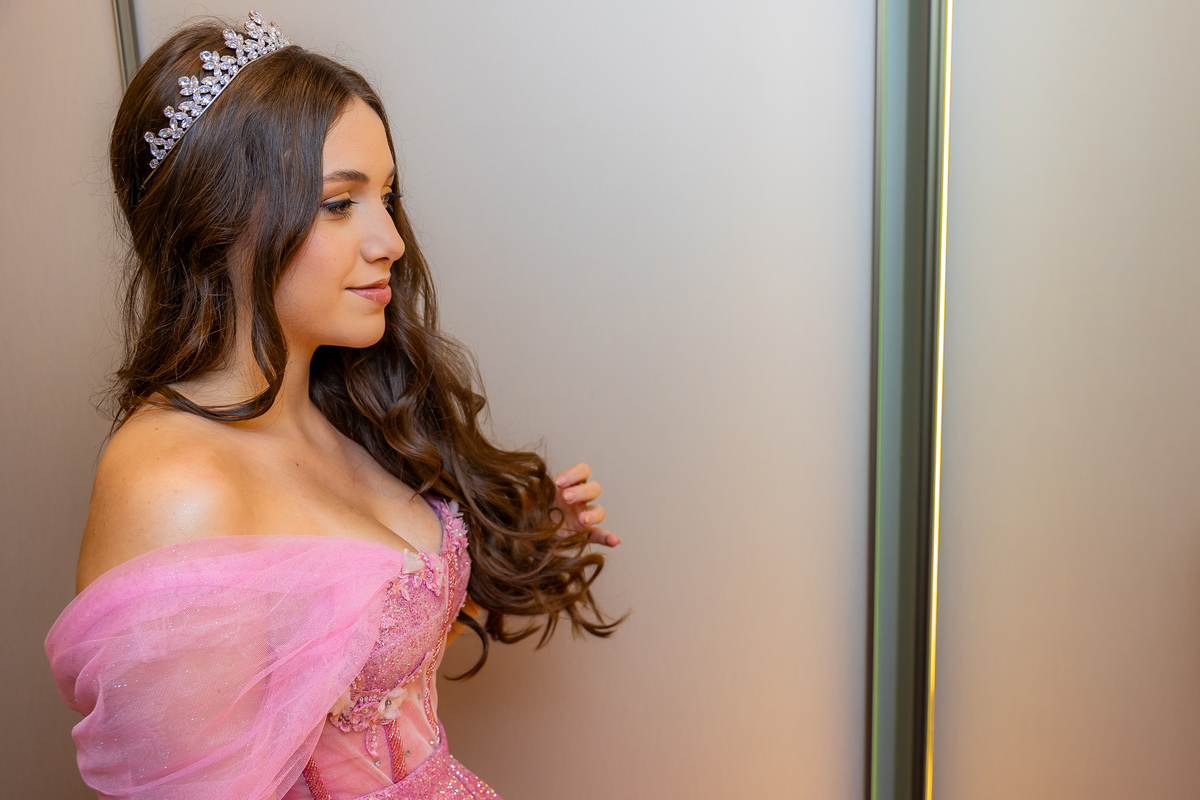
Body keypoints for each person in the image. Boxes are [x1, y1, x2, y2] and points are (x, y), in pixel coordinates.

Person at [44, 11, 622, 800]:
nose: (391, 240)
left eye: (387, 196)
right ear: (220, 220)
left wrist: (517, 536)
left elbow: (350, 671)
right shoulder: (174, 486)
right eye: (340, 203)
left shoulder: (336, 409)